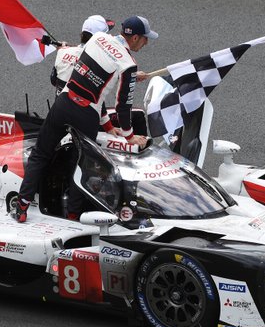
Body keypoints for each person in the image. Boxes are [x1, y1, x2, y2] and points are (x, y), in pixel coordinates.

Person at [13, 15, 158, 223]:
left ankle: (22, 207)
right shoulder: (128, 64)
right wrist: (130, 137)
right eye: (145, 38)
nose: (146, 43)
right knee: (81, 168)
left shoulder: (97, 38)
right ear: (134, 38)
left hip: (64, 102)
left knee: (40, 155)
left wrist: (109, 127)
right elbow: (123, 106)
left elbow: (92, 72)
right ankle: (73, 217)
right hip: (87, 114)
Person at [50, 15, 116, 97]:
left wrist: (64, 51)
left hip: (60, 106)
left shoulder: (62, 52)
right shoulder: (101, 61)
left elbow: (53, 81)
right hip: (87, 108)